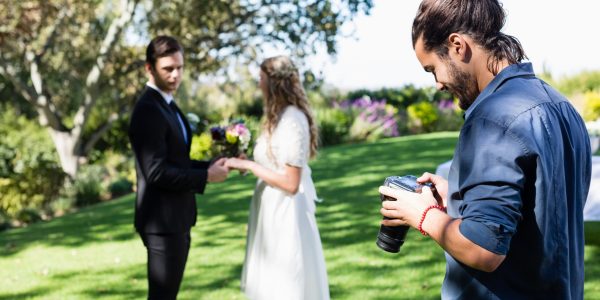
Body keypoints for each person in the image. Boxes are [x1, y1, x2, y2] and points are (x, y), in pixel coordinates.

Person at [379, 0, 591, 299]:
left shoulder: (492, 119)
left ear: (457, 45)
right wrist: (458, 194)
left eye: (432, 69)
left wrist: (423, 214)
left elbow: (483, 248)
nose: (438, 84)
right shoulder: (559, 105)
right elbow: (540, 208)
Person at [128, 35, 229, 300]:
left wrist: (212, 164)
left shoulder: (168, 105)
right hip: (161, 222)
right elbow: (156, 171)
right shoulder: (148, 109)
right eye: (168, 69)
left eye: (180, 68)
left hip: (175, 218)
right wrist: (205, 176)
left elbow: (176, 160)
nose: (175, 75)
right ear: (149, 68)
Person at [225, 55, 330, 300]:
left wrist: (250, 166)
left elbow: (291, 184)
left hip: (286, 214)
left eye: (261, 78)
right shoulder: (277, 117)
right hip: (269, 211)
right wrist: (242, 160)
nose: (258, 84)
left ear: (274, 82)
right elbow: (272, 164)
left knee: (287, 282)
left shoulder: (293, 119)